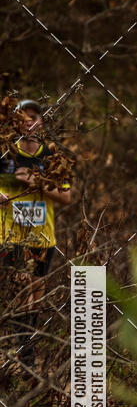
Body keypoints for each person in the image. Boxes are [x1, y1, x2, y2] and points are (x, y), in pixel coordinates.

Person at [0, 98, 72, 369]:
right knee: (20, 286)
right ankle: (24, 352)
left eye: (34, 117)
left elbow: (65, 197)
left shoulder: (52, 156)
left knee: (35, 293)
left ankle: (26, 347)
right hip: (11, 233)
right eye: (23, 118)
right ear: (15, 123)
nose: (29, 122)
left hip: (42, 235)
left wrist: (35, 182)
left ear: (43, 122)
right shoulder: (5, 152)